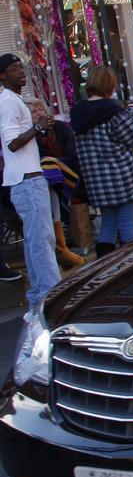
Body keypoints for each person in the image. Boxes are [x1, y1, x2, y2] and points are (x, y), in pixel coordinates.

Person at [0, 53, 61, 307]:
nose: (22, 72)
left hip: (27, 178)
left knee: (38, 239)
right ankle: (52, 294)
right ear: (3, 76)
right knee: (42, 241)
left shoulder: (13, 100)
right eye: (15, 69)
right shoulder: (8, 102)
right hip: (26, 180)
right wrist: (36, 127)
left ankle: (39, 294)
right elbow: (12, 143)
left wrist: (39, 127)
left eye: (21, 67)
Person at [68, 66, 133, 258]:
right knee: (128, 220)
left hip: (96, 180)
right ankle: (132, 261)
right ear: (109, 85)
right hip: (121, 175)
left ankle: (105, 265)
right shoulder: (111, 109)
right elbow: (132, 136)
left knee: (109, 221)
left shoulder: (78, 112)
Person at [24, 98, 84, 269]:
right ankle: (62, 246)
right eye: (34, 112)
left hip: (68, 173)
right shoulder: (30, 135)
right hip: (46, 180)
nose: (40, 113)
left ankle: (66, 244)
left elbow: (72, 152)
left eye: (41, 109)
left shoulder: (60, 127)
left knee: (55, 182)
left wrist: (56, 164)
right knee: (50, 188)